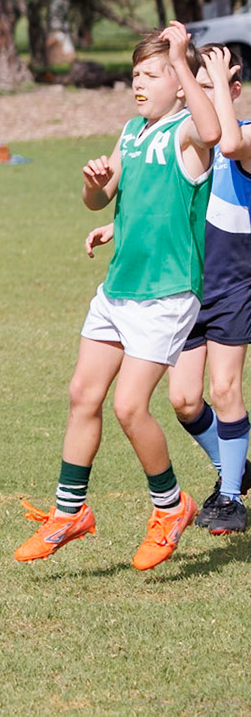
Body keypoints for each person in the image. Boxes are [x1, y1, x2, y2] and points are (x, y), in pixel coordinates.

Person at [16, 25, 223, 570]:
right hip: (118, 290)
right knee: (82, 393)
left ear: (178, 82)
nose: (139, 83)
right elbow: (100, 198)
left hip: (166, 295)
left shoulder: (186, 131)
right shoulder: (132, 131)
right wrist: (94, 181)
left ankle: (170, 508)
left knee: (129, 406)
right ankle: (70, 513)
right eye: (135, 74)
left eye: (152, 74)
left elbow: (213, 129)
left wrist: (182, 58)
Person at [164, 45, 251, 534]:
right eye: (195, 86)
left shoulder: (246, 135)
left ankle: (231, 496)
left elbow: (232, 145)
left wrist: (218, 83)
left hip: (234, 283)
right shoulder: (190, 140)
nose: (201, 95)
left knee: (223, 389)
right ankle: (236, 468)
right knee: (183, 399)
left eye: (213, 85)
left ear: (234, 90)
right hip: (188, 284)